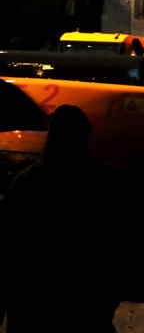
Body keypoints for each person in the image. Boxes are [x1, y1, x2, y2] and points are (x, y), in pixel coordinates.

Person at [3, 104, 119, 333]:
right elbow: (113, 244)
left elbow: (10, 242)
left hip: (33, 301)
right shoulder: (102, 183)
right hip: (85, 302)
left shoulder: (29, 182)